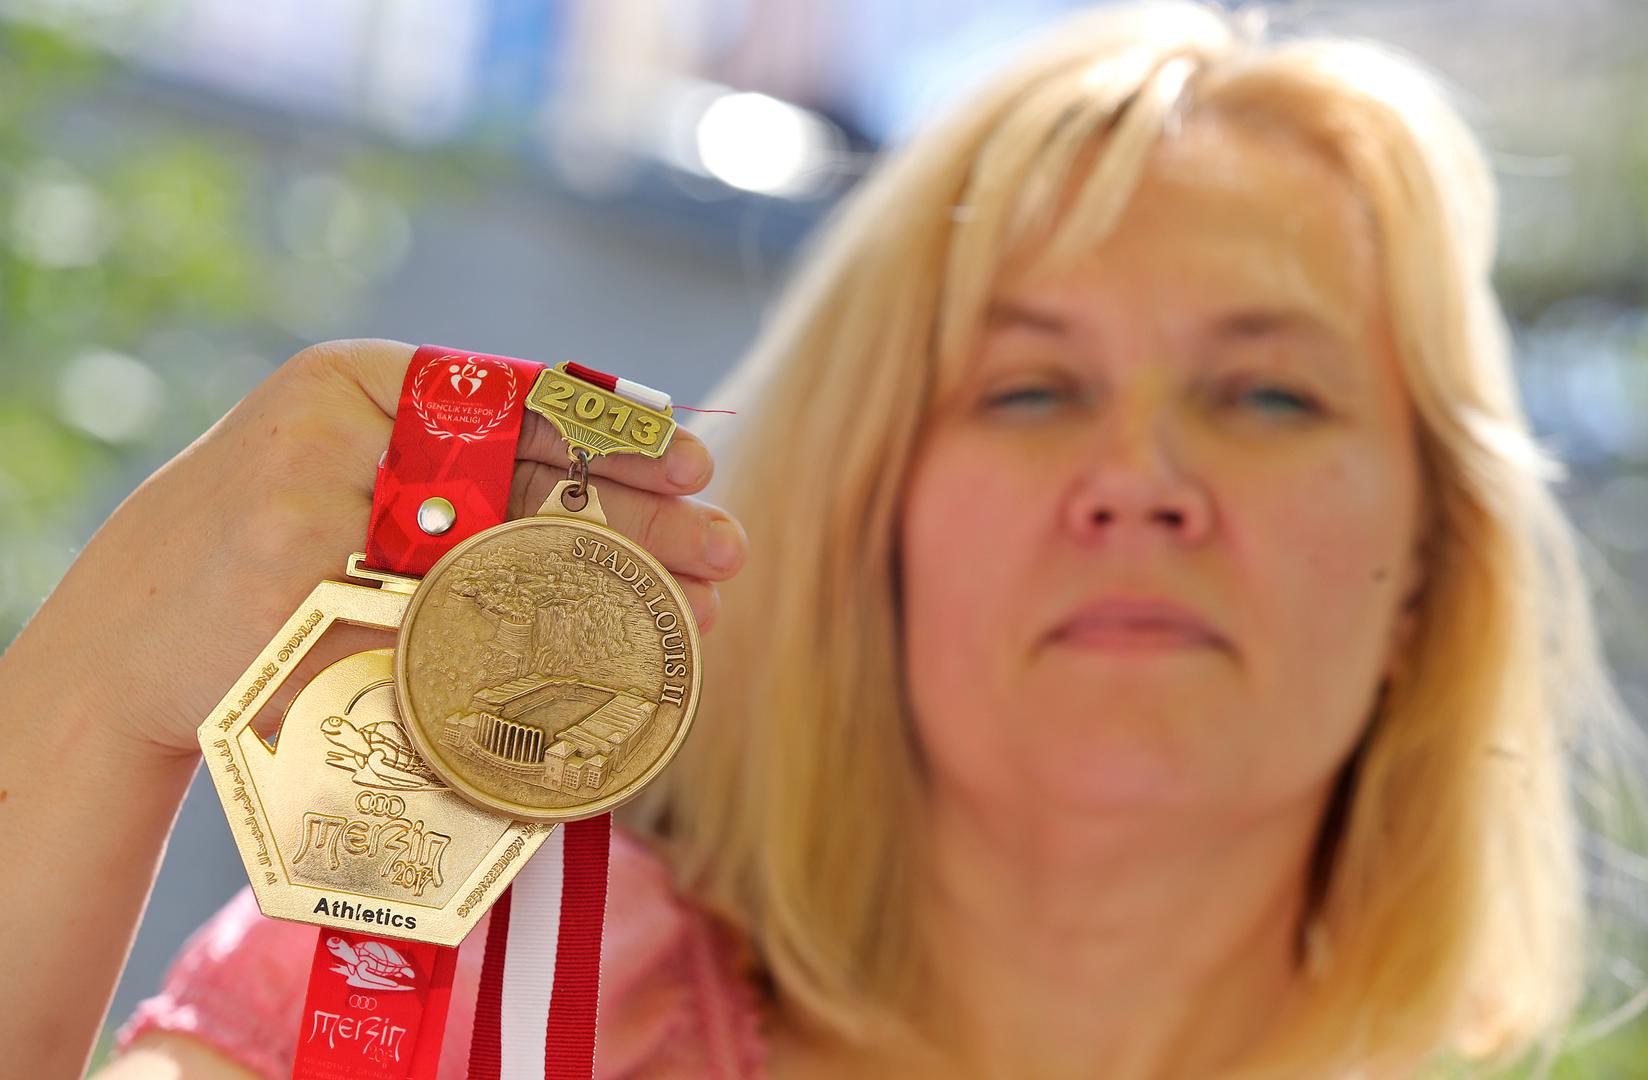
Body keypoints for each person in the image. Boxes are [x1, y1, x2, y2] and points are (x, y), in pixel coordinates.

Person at [2, 2, 1642, 1077]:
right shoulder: (483, 996)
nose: (1140, 479)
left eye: (1271, 396)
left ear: (1438, 567)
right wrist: (88, 703)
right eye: (1029, 389)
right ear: (873, 524)